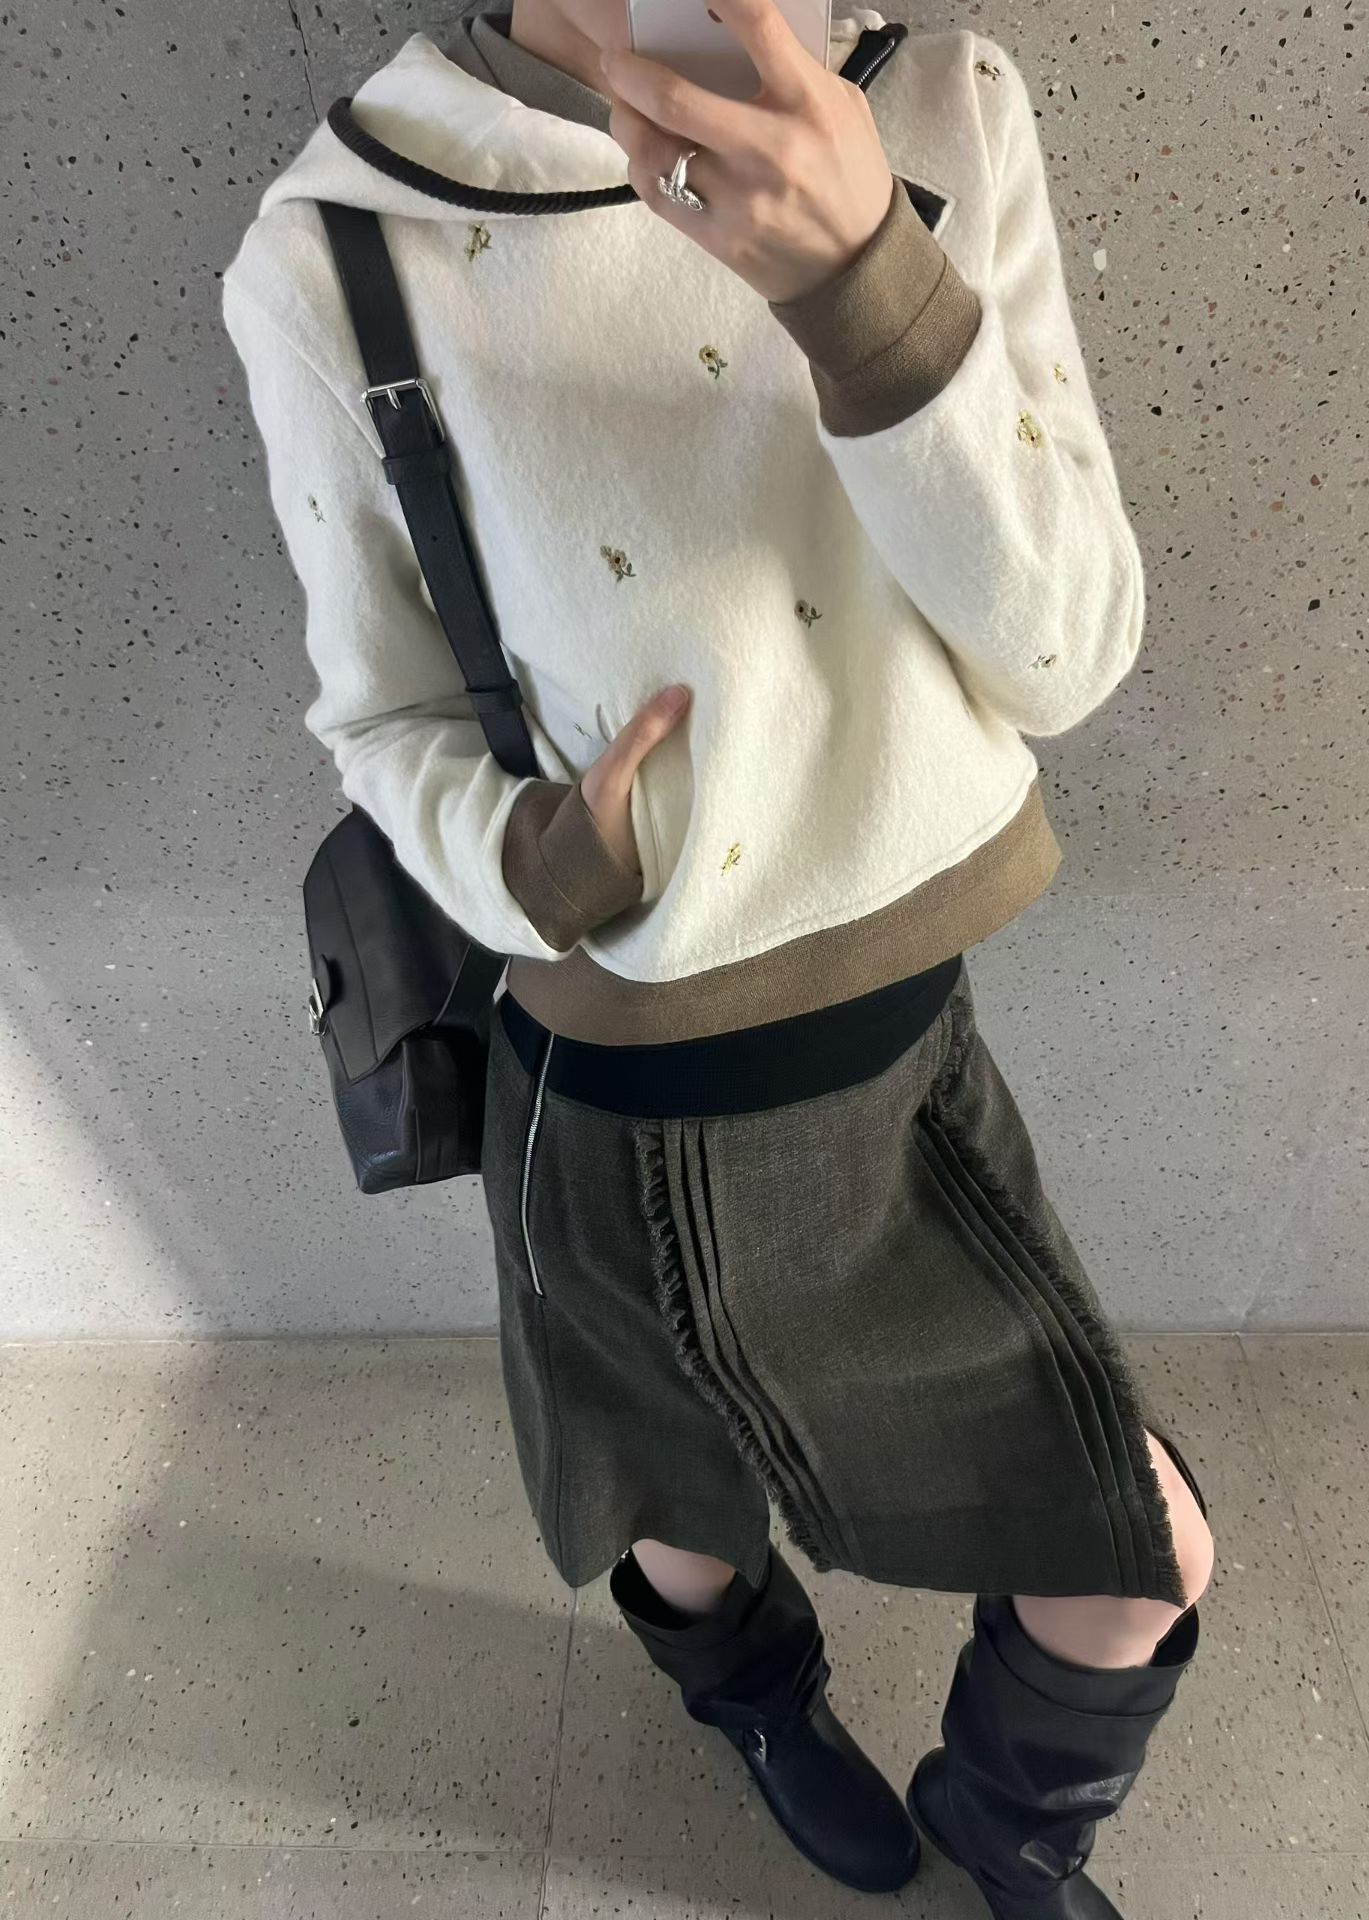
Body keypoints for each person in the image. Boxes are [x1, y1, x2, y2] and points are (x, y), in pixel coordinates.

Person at [222, 0, 1216, 1910]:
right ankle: (759, 1706)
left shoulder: (939, 105)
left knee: (1134, 1552)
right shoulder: (340, 241)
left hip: (914, 1073)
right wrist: (538, 859)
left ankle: (1010, 1819)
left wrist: (865, 286)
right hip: (614, 1102)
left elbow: (1066, 654)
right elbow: (380, 716)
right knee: (674, 1507)